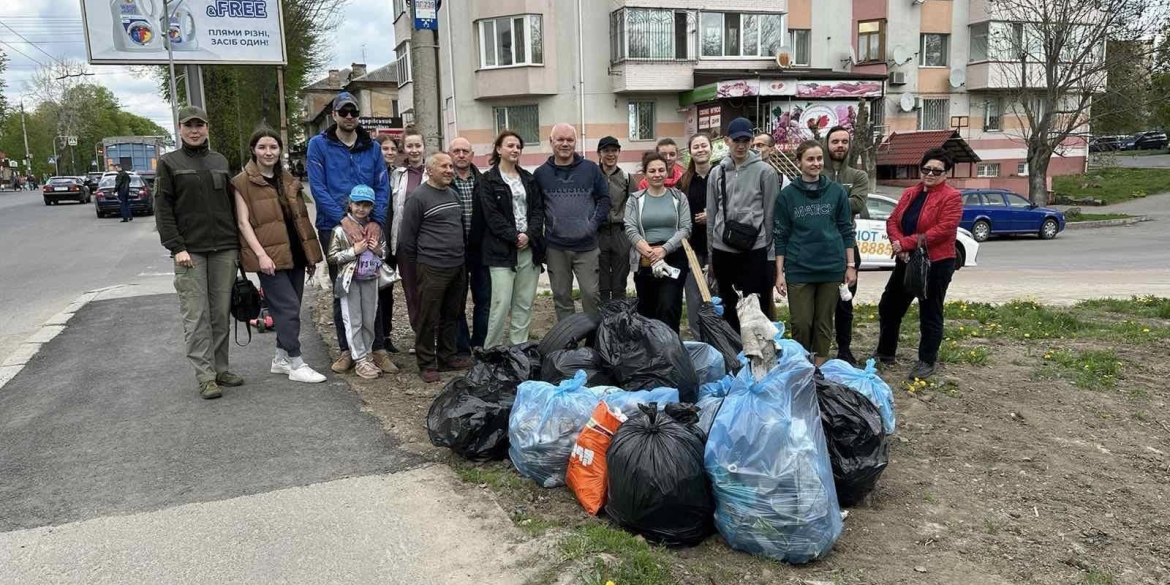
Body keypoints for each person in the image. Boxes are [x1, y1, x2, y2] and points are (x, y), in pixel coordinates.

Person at [154, 106, 241, 400]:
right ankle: (205, 376)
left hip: (224, 249)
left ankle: (221, 368)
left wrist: (237, 245)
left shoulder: (220, 160)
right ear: (179, 129)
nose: (194, 130)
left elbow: (232, 205)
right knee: (196, 316)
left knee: (220, 314)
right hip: (190, 252)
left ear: (207, 128)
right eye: (189, 126)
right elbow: (162, 209)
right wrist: (177, 247)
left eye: (199, 125)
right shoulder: (169, 163)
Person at [232, 126, 329, 384]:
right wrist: (261, 256)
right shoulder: (242, 182)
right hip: (269, 257)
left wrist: (309, 256)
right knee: (287, 309)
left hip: (295, 253)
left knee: (290, 307)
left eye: (273, 147)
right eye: (262, 147)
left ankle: (280, 358)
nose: (268, 152)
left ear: (280, 150)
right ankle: (296, 362)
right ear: (253, 150)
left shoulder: (287, 179)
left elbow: (300, 219)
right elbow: (243, 223)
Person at [306, 92, 393, 375]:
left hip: (369, 225)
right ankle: (347, 350)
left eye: (353, 112)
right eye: (343, 112)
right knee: (342, 288)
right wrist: (344, 220)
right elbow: (318, 188)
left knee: (374, 285)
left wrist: (377, 220)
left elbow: (382, 185)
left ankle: (377, 348)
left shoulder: (371, 146)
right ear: (334, 114)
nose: (349, 117)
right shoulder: (319, 145)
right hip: (334, 227)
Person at [875, 147, 963, 381]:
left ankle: (927, 360)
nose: (930, 174)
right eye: (926, 169)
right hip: (906, 260)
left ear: (946, 174)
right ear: (920, 169)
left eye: (937, 171)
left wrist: (906, 243)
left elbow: (943, 230)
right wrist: (898, 243)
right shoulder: (909, 193)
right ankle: (885, 353)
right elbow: (893, 220)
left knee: (930, 311)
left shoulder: (951, 197)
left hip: (937, 263)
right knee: (889, 305)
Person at [773, 140, 856, 366]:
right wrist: (779, 273)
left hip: (831, 267)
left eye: (819, 158)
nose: (816, 163)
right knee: (801, 322)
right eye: (810, 159)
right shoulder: (787, 196)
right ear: (799, 162)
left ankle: (817, 369)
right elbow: (780, 236)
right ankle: (801, 363)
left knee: (823, 322)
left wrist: (850, 265)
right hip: (799, 268)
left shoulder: (837, 192)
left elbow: (846, 229)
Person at [399, 152, 473, 383]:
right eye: (444, 166)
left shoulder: (453, 194)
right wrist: (415, 271)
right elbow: (407, 240)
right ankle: (427, 363)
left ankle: (447, 356)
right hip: (431, 267)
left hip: (457, 265)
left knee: (453, 313)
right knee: (428, 317)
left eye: (451, 166)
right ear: (430, 171)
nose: (450, 170)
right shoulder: (418, 198)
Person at [707, 117, 781, 333]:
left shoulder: (765, 172)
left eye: (745, 140)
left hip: (754, 248)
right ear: (727, 141)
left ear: (751, 142)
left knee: (756, 305)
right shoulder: (717, 172)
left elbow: (770, 213)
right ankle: (733, 355)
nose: (741, 145)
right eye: (736, 140)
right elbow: (712, 213)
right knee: (728, 305)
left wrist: (766, 247)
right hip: (723, 248)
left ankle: (759, 355)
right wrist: (711, 252)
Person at [534, 123, 610, 321]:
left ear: (576, 142)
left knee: (591, 296)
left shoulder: (591, 169)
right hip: (556, 248)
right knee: (561, 297)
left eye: (570, 140)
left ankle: (593, 343)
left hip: (587, 247)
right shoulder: (541, 174)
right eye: (560, 139)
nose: (565, 144)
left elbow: (604, 200)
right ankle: (568, 342)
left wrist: (591, 226)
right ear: (551, 142)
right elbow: (537, 210)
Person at [479, 131, 545, 348]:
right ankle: (491, 353)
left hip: (528, 249)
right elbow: (491, 216)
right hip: (500, 251)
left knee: (523, 304)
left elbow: (537, 211)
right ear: (499, 149)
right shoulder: (488, 181)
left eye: (518, 146)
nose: (515, 150)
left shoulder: (529, 178)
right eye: (510, 145)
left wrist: (529, 235)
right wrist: (514, 236)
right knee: (500, 303)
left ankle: (519, 351)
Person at [625, 153, 692, 332]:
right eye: (652, 170)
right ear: (645, 174)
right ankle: (650, 351)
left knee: (668, 304)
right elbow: (630, 228)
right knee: (647, 308)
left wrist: (664, 250)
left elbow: (686, 228)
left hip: (673, 255)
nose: (657, 174)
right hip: (645, 256)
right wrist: (650, 252)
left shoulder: (679, 198)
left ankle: (670, 350)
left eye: (661, 170)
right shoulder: (635, 199)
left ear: (667, 172)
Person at [327, 185, 388, 380]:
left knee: (369, 318)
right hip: (349, 281)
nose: (361, 209)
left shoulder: (376, 229)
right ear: (350, 204)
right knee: (352, 320)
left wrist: (378, 250)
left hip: (371, 279)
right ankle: (359, 359)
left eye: (366, 205)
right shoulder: (339, 231)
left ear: (371, 207)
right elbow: (332, 257)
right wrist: (354, 251)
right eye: (357, 204)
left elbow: (384, 252)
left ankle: (367, 354)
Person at [824, 126, 870, 365]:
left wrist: (825, 200)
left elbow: (857, 204)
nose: (839, 145)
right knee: (819, 305)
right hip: (817, 248)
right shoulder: (816, 170)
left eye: (844, 141)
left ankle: (844, 349)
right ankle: (816, 349)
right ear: (827, 144)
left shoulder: (858, 177)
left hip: (846, 248)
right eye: (835, 141)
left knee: (844, 303)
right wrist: (841, 200)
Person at [450, 137, 491, 355]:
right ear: (450, 155)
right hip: (455, 251)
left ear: (472, 155)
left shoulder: (484, 182)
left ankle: (480, 343)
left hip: (481, 250)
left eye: (465, 151)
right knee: (457, 302)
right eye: (456, 151)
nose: (461, 155)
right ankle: (462, 346)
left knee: (484, 300)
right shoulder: (445, 183)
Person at [390, 129, 427, 338]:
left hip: (429, 243)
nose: (414, 150)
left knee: (429, 290)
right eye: (410, 146)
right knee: (411, 291)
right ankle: (419, 334)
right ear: (404, 149)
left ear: (423, 147)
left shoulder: (433, 171)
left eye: (417, 145)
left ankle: (434, 334)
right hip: (405, 243)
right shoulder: (397, 175)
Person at [678, 132, 713, 338]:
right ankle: (699, 342)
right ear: (690, 152)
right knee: (693, 298)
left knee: (716, 297)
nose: (700, 150)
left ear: (711, 148)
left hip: (717, 247)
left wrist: (712, 215)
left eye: (704, 146)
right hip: (691, 248)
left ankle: (719, 341)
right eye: (696, 147)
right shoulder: (685, 181)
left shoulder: (721, 175)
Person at [596, 136, 633, 301]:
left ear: (619, 152)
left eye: (614, 150)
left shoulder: (626, 178)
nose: (610, 154)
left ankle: (619, 319)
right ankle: (603, 320)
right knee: (601, 282)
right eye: (606, 151)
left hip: (620, 233)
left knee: (619, 283)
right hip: (599, 233)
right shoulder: (593, 176)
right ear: (599, 153)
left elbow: (635, 206)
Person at [374, 135, 401, 353]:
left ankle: (386, 334)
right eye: (385, 148)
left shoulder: (399, 174)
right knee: (373, 290)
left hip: (394, 240)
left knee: (387, 290)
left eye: (393, 148)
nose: (390, 152)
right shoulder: (373, 173)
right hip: (376, 240)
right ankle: (374, 338)